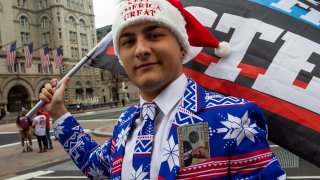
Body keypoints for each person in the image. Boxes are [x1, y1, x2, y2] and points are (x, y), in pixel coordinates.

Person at [39, 0, 286, 179]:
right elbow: (98, 169)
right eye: (128, 41)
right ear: (122, 58)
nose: (140, 50)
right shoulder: (126, 122)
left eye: (154, 35)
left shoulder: (234, 117)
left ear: (181, 47)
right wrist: (59, 113)